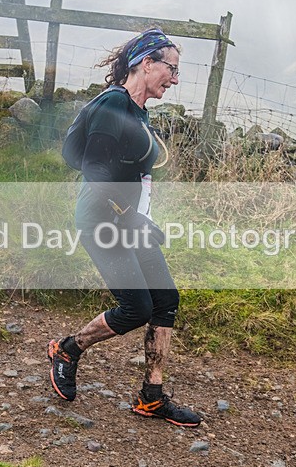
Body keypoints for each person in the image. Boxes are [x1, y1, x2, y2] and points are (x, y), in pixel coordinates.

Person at [47, 28, 202, 427]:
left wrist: (142, 217)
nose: (176, 78)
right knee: (137, 308)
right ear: (146, 63)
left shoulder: (139, 112)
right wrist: (127, 214)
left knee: (165, 300)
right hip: (101, 219)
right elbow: (97, 173)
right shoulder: (113, 106)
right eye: (172, 68)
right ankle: (68, 349)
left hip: (129, 221)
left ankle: (152, 396)